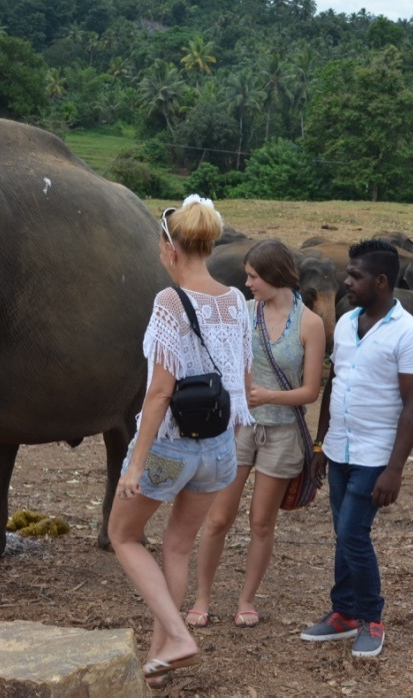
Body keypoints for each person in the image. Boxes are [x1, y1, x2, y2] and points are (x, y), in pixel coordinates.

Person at [107, 194, 253, 687]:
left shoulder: (170, 302)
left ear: (171, 250)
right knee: (176, 546)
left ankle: (178, 634)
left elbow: (160, 392)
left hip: (171, 448)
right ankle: (159, 662)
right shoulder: (237, 301)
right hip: (220, 451)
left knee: (123, 536)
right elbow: (241, 384)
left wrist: (134, 465)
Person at [300, 239, 413, 658]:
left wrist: (395, 470)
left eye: (355, 275)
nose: (346, 281)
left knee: (354, 535)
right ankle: (342, 614)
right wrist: (321, 444)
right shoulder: (343, 323)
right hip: (339, 449)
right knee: (344, 534)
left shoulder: (412, 335)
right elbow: (335, 384)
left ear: (380, 281)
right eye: (348, 273)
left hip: (376, 457)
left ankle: (371, 619)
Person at [186, 239, 326, 628]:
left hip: (282, 435)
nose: (247, 283)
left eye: (253, 276)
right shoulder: (243, 313)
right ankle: (201, 598)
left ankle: (246, 600)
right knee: (217, 519)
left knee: (261, 522)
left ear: (274, 276)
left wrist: (268, 397)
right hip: (241, 428)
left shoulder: (310, 324)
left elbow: (311, 391)